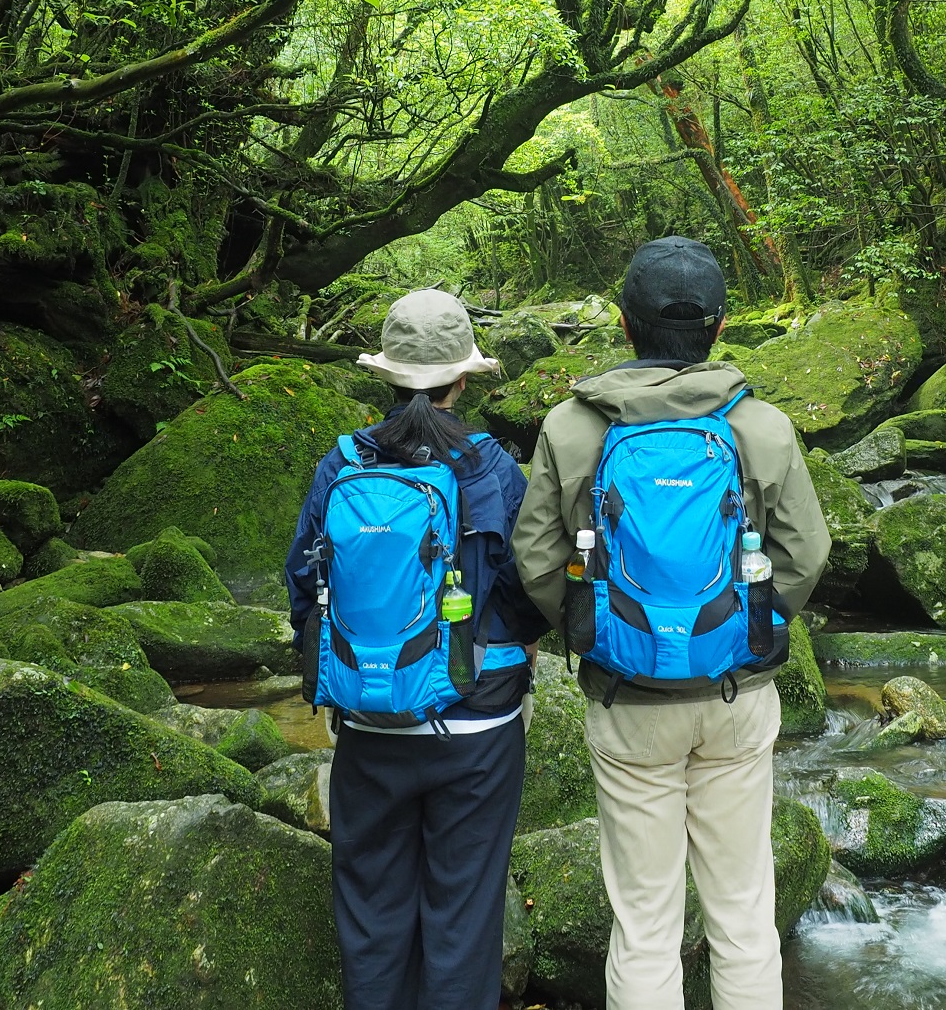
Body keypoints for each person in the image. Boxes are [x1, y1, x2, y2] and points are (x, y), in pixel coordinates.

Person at [512, 237, 831, 1010]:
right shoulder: (761, 427)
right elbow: (806, 552)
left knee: (645, 924)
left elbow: (535, 557)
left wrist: (595, 629)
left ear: (625, 323)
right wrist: (748, 625)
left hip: (626, 701)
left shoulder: (570, 428)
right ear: (719, 326)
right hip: (735, 694)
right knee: (743, 913)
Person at [285, 289, 546, 1010]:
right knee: (463, 919)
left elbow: (304, 587)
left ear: (387, 374)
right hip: (479, 726)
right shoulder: (493, 468)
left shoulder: (342, 463)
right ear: (464, 378)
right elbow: (529, 590)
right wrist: (519, 646)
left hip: (370, 722)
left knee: (372, 919)